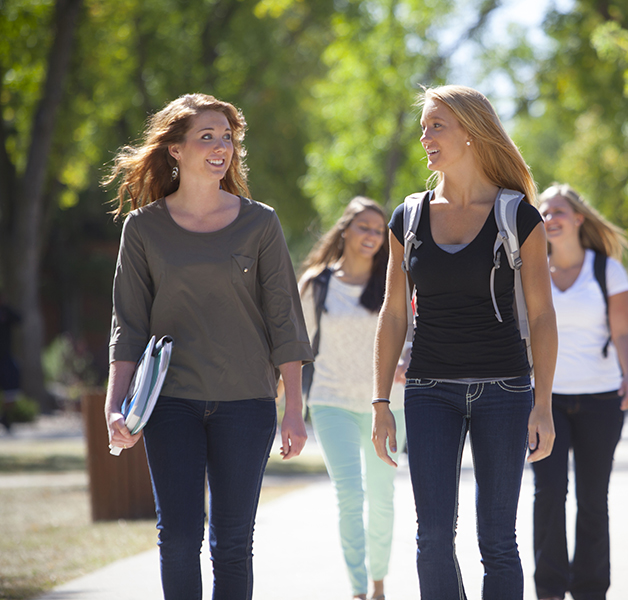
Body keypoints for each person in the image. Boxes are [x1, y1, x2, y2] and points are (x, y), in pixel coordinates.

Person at [103, 93, 313, 600]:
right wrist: (115, 404)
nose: (222, 147)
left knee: (233, 543)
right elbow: (128, 324)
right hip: (169, 403)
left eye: (228, 138)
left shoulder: (260, 222)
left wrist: (294, 408)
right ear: (175, 149)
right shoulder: (143, 227)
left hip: (247, 404)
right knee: (177, 538)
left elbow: (283, 316)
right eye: (207, 137)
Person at [371, 84, 558, 600]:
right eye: (424, 125)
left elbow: (542, 316)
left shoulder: (517, 216)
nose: (425, 135)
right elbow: (392, 316)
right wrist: (381, 401)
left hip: (506, 389)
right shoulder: (407, 218)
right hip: (430, 389)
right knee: (432, 538)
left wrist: (542, 403)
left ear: (472, 133)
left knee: (497, 539)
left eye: (437, 125)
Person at [531, 183, 628, 600]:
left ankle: (591, 589)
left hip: (600, 400)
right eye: (544, 212)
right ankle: (550, 589)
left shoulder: (606, 269)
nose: (550, 217)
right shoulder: (531, 267)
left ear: (578, 219)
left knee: (593, 498)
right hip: (546, 403)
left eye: (559, 211)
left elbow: (623, 332)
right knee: (549, 493)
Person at [299, 196, 407, 600]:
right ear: (344, 229)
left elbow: (413, 336)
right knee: (349, 495)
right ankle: (359, 590)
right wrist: (283, 407)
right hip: (331, 402)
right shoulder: (315, 284)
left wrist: (407, 358)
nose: (372, 236)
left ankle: (379, 584)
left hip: (389, 406)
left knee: (381, 497)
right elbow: (293, 349)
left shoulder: (395, 281)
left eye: (379, 230)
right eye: (364, 227)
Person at [0, 291, 22, 432]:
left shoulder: (6, 312)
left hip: (5, 357)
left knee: (11, 389)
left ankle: (6, 417)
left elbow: (19, 319)